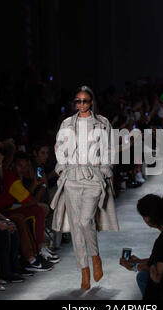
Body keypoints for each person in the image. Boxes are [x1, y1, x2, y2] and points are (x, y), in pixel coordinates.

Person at [50, 85, 119, 291]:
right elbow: (59, 147)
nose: (81, 104)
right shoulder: (67, 123)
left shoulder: (102, 123)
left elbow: (108, 148)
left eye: (85, 101)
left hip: (93, 176)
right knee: (76, 226)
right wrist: (62, 168)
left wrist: (105, 170)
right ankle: (84, 270)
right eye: (78, 101)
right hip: (72, 177)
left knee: (85, 220)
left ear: (92, 102)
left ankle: (95, 255)